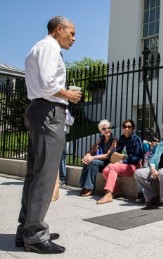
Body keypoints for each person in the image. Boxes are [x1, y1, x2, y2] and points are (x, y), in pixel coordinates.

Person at [16, 16, 81, 254]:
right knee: (44, 176)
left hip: (42, 111)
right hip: (48, 112)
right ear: (59, 29)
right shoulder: (48, 47)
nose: (74, 39)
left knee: (35, 175)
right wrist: (68, 95)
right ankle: (34, 233)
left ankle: (27, 229)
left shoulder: (41, 47)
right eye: (71, 33)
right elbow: (46, 84)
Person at [97, 119, 143, 204]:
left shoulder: (136, 140)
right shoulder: (122, 139)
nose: (127, 129)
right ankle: (116, 190)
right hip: (122, 166)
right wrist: (112, 160)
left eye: (129, 127)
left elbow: (137, 157)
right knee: (105, 171)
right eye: (125, 127)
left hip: (134, 166)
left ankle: (108, 194)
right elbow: (116, 151)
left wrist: (122, 162)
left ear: (133, 129)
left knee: (113, 167)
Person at [79, 119, 117, 196]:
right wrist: (88, 156)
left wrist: (92, 158)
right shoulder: (101, 139)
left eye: (108, 128)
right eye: (104, 129)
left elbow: (107, 156)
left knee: (93, 162)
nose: (107, 130)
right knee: (87, 162)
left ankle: (90, 188)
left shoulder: (114, 140)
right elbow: (93, 149)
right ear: (101, 131)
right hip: (99, 161)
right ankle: (84, 187)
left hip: (107, 162)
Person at [135, 137, 159, 203]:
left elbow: (156, 150)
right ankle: (140, 194)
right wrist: (147, 142)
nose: (155, 143)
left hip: (152, 168)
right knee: (138, 175)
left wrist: (157, 145)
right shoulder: (147, 148)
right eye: (153, 141)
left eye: (156, 141)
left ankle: (143, 194)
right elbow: (143, 144)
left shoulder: (157, 149)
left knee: (142, 176)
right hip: (145, 166)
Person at [58, 108, 74, 186]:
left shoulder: (65, 109)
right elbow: (70, 121)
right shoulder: (65, 109)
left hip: (58, 133)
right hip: (59, 133)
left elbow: (70, 122)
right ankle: (61, 179)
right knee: (62, 157)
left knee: (62, 157)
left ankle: (62, 179)